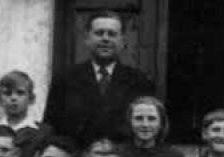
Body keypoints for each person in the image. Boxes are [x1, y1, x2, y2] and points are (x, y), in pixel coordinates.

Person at [43, 9, 154, 148]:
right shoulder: (65, 79)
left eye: (112, 34)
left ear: (122, 41)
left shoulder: (139, 81)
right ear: (87, 39)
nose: (105, 39)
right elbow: (50, 128)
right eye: (99, 33)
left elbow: (149, 129)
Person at [0, 70, 53, 157]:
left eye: (20, 93)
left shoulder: (44, 133)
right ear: (0, 99)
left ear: (31, 99)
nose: (13, 98)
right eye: (7, 93)